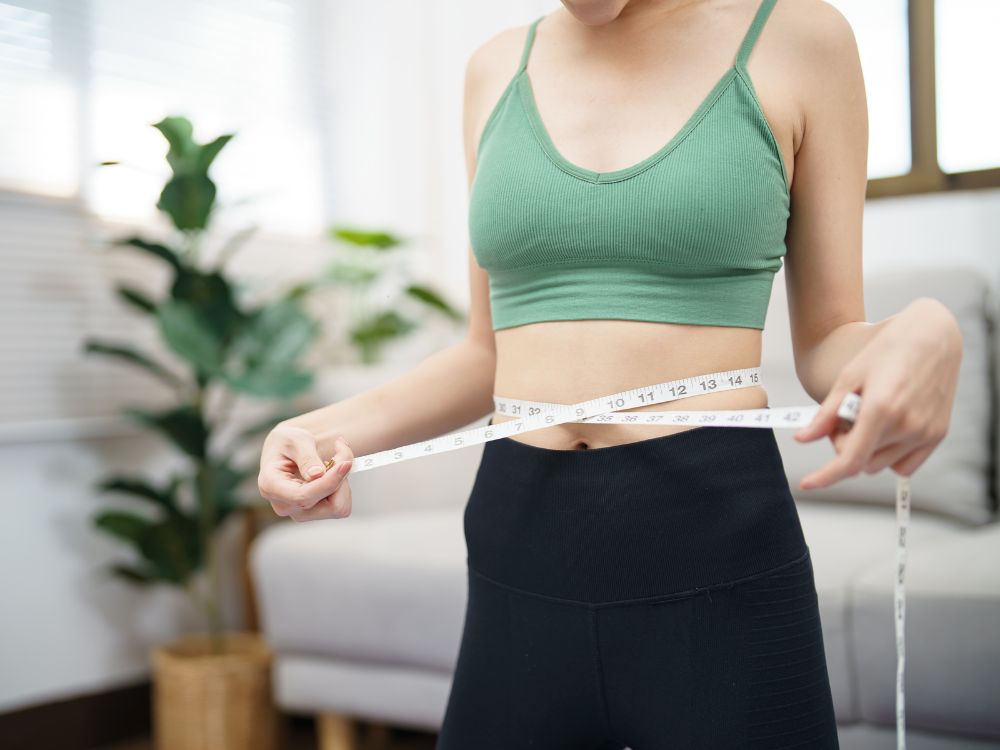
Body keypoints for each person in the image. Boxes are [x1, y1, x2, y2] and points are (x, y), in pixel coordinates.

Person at [257, 0, 963, 747]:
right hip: (515, 546)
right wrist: (317, 430)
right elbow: (485, 354)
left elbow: (827, 341)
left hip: (713, 543)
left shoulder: (799, 37)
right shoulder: (495, 67)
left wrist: (928, 332)